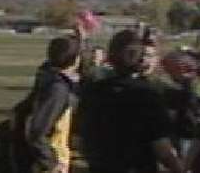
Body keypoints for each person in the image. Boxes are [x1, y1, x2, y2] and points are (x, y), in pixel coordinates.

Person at [76, 30, 188, 173]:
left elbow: (80, 137)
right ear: (140, 59)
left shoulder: (92, 90)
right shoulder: (146, 95)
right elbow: (162, 148)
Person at [24, 35, 82, 173]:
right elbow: (38, 131)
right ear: (75, 60)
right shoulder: (57, 89)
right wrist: (50, 162)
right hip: (52, 160)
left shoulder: (47, 78)